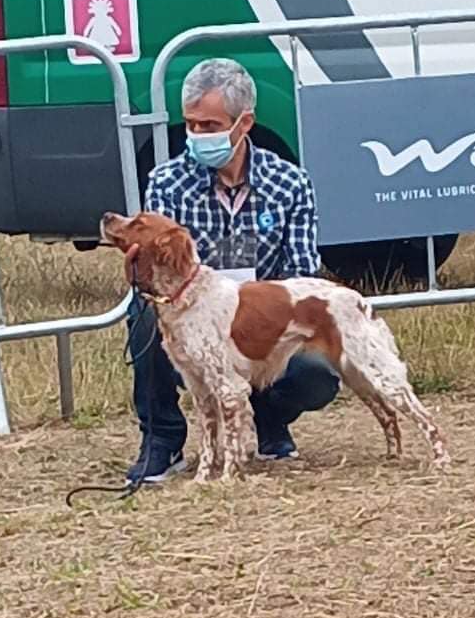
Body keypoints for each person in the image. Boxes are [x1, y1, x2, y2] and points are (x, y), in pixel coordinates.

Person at [125, 57, 340, 483]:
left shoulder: (291, 183)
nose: (198, 135)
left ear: (244, 124)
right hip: (191, 315)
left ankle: (269, 422)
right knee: (144, 315)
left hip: (263, 323)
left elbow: (301, 272)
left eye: (210, 125)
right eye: (191, 125)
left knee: (315, 374)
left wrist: (252, 309)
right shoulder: (166, 182)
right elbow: (157, 275)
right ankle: (162, 441)